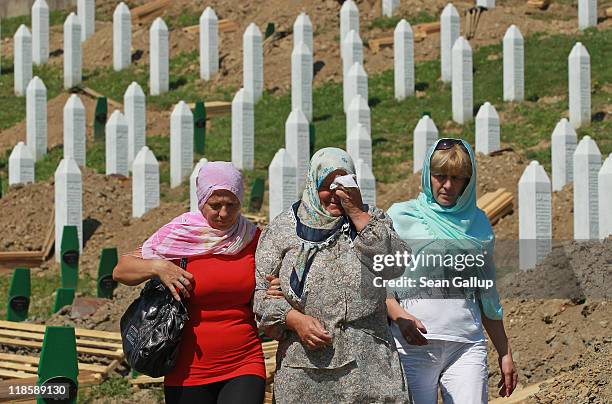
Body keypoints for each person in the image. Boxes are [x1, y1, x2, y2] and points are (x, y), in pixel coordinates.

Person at [254, 147, 412, 403]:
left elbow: (395, 265)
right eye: (327, 185)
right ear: (312, 183)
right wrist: (294, 319)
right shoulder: (283, 229)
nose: (337, 194)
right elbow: (262, 298)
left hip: (371, 367)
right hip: (306, 372)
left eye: (344, 184)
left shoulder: (372, 221)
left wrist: (360, 215)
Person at [113, 162, 266, 404]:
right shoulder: (179, 235)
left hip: (244, 360)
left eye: (232, 205)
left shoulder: (251, 237)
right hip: (188, 368)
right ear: (201, 199)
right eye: (215, 206)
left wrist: (274, 287)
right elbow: (121, 270)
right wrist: (158, 267)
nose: (224, 214)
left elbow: (270, 280)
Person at [386, 138, 518, 403]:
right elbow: (379, 283)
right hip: (412, 346)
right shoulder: (401, 218)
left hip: (466, 345)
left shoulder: (478, 224)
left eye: (457, 178)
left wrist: (504, 351)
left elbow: (487, 295)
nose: (447, 185)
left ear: (468, 181)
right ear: (427, 174)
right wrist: (399, 315)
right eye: (440, 176)